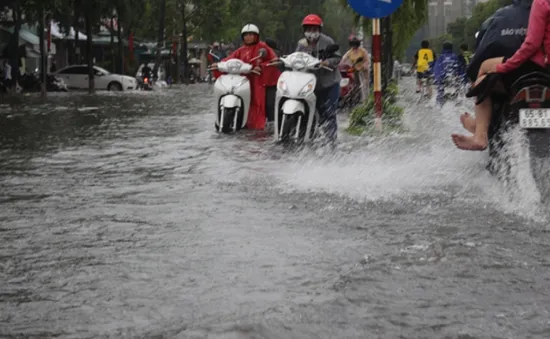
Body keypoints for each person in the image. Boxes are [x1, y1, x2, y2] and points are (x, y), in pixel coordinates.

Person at [451, 0, 542, 151]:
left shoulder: (506, 15)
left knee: (482, 78)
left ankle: (480, 133)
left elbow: (529, 45)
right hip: (541, 66)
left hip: (520, 67)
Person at [212, 24, 280, 130]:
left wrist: (260, 66)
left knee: (268, 103)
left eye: (251, 35)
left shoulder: (263, 47)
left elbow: (273, 60)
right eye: (246, 35)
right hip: (244, 80)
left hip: (260, 80)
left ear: (256, 36)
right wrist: (219, 64)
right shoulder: (241, 50)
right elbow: (230, 59)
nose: (248, 37)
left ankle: (269, 123)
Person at [296, 14, 342, 142]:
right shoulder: (301, 44)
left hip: (329, 83)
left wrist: (326, 62)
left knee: (329, 112)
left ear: (319, 30)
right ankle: (309, 137)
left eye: (314, 29)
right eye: (309, 29)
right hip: (311, 84)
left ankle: (331, 141)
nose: (311, 32)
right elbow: (297, 57)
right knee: (313, 111)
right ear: (304, 30)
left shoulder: (327, 41)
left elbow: (337, 58)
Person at [341, 35, 370, 103]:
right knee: (356, 85)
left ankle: (366, 101)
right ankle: (357, 99)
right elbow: (343, 59)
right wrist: (340, 64)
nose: (354, 46)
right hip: (355, 70)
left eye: (355, 44)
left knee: (364, 85)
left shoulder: (362, 51)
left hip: (363, 71)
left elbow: (367, 60)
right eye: (352, 44)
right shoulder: (350, 52)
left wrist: (364, 66)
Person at [433, 41, 461, 106]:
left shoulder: (441, 57)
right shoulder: (455, 57)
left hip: (443, 78)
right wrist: (459, 75)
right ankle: (456, 101)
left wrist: (437, 78)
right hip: (453, 77)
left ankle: (439, 105)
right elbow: (459, 67)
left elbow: (437, 68)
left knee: (440, 91)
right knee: (458, 89)